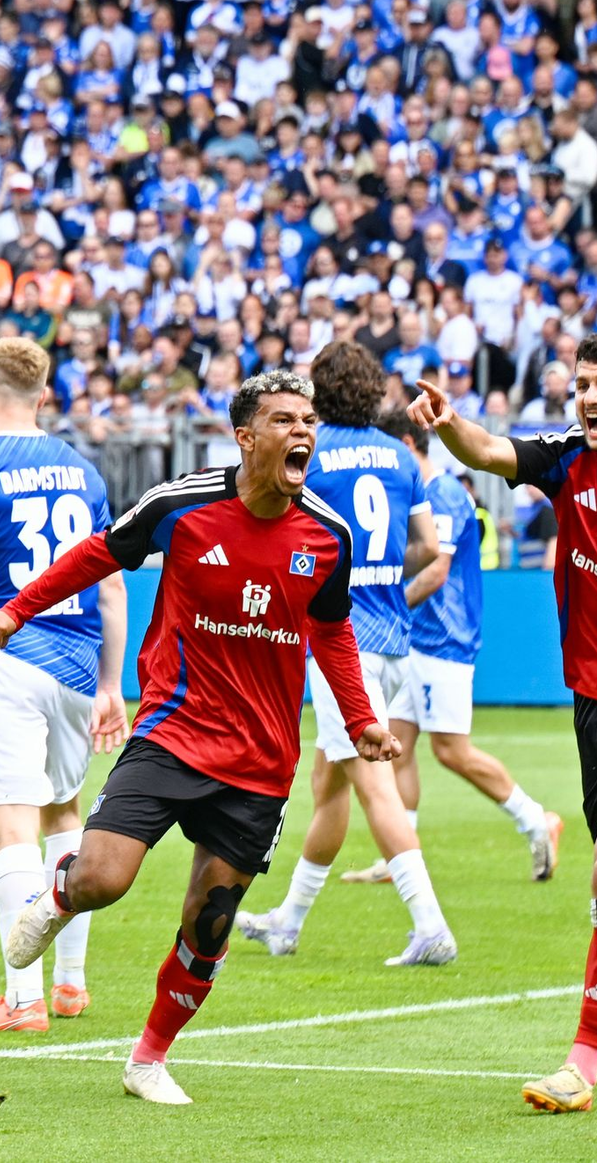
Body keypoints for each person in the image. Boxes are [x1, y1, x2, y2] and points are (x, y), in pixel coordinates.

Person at [0, 371, 398, 1104]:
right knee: (102, 878)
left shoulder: (329, 535)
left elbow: (332, 631)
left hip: (261, 760)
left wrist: (361, 719)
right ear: (246, 437)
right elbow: (98, 553)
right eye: (284, 420)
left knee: (211, 921)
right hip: (173, 731)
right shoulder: (182, 505)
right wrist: (17, 611)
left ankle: (148, 1058)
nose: (302, 432)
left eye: (309, 421)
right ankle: (58, 894)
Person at [409, 335, 597, 1113]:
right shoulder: (566, 457)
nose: (589, 397)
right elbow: (488, 450)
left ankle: (585, 1054)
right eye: (583, 384)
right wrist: (450, 420)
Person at [0, 338, 128, 1032]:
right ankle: (70, 984)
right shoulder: (83, 472)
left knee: (12, 824)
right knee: (65, 815)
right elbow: (111, 585)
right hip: (79, 662)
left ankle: (22, 1000)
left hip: (11, 655)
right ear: (44, 396)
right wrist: (111, 683)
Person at [236, 342, 456, 967]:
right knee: (328, 786)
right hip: (393, 638)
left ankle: (431, 925)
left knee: (373, 788)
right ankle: (287, 921)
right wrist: (381, 574)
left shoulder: (309, 450)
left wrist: (339, 576)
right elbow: (427, 546)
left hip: (343, 645)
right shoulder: (400, 455)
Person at [340, 410, 561, 884]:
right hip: (414, 639)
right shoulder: (417, 491)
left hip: (445, 639)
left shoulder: (442, 492)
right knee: (398, 746)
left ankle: (537, 819)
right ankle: (401, 854)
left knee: (452, 750)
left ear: (405, 444)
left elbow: (437, 570)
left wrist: (387, 608)